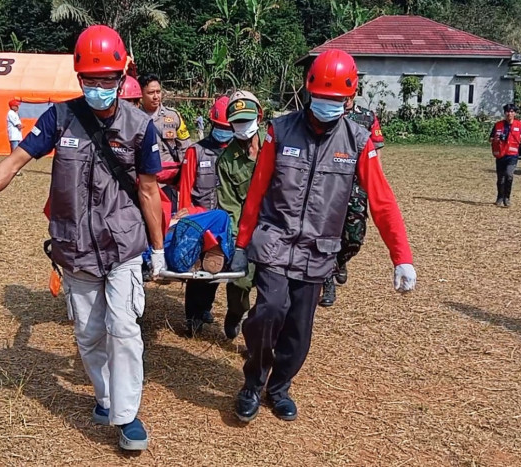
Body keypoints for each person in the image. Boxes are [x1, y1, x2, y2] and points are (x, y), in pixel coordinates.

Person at [0, 25, 163, 451]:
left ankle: (127, 417)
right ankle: (105, 398)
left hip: (122, 244)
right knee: (88, 333)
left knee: (123, 328)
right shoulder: (59, 117)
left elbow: (147, 190)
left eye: (108, 79)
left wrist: (158, 249)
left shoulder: (140, 126)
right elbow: (15, 161)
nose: (100, 88)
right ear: (78, 77)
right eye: (91, 80)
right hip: (75, 247)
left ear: (122, 77)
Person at [229, 49, 416, 423]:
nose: (327, 106)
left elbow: (381, 201)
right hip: (275, 242)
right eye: (321, 98)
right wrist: (240, 245)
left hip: (318, 250)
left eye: (336, 100)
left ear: (349, 99)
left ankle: (279, 387)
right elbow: (257, 192)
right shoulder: (279, 131)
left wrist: (402, 257)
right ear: (308, 90)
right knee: (268, 311)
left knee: (298, 331)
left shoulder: (358, 141)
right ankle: (253, 381)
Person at [178, 91, 263, 338]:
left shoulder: (268, 147)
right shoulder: (200, 152)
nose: (227, 130)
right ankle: (195, 315)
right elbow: (186, 190)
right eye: (222, 126)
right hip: (207, 223)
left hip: (247, 227)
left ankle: (222, 314)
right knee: (203, 273)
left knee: (230, 276)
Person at [320, 89, 386, 308]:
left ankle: (340, 261)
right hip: (331, 186)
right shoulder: (329, 115)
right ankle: (327, 282)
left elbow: (376, 153)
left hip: (357, 186)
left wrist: (374, 183)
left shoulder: (366, 117)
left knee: (355, 237)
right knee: (327, 235)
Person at [138, 73, 191, 204]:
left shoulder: (173, 116)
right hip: (144, 181)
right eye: (151, 92)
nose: (156, 96)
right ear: (141, 94)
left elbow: (185, 147)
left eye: (158, 92)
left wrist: (184, 177)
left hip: (168, 183)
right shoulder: (134, 117)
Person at [490, 103, 521, 207]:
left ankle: (507, 198)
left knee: (509, 175)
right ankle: (500, 197)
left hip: (512, 154)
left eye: (511, 111)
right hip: (500, 154)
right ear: (504, 113)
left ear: (515, 113)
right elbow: (490, 138)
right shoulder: (498, 125)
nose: (509, 114)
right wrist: (496, 139)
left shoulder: (519, 125)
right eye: (507, 112)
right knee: (500, 178)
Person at [6, 99, 24, 176]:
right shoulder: (11, 114)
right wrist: (22, 126)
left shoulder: (14, 113)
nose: (17, 107)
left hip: (16, 136)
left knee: (15, 153)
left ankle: (14, 169)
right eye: (16, 105)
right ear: (12, 106)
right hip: (14, 136)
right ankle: (13, 169)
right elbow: (18, 125)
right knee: (15, 154)